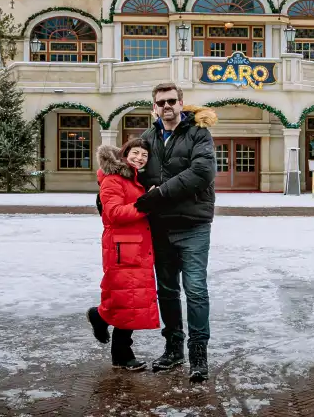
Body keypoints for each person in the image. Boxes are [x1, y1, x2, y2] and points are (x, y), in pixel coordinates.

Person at [134, 82, 217, 383]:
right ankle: (173, 349)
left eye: (172, 101)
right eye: (161, 102)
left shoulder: (198, 133)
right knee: (167, 291)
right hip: (159, 227)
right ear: (154, 106)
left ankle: (198, 355)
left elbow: (202, 173)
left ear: (181, 103)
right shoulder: (147, 137)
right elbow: (131, 169)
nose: (167, 106)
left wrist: (158, 195)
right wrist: (107, 190)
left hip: (193, 225)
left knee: (195, 291)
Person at [86, 140, 159, 371]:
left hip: (134, 248)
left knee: (129, 299)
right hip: (121, 249)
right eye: (135, 153)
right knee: (128, 300)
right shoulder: (113, 179)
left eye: (144, 155)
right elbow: (115, 213)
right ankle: (122, 353)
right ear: (124, 154)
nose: (139, 157)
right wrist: (145, 204)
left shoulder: (132, 179)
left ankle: (100, 317)